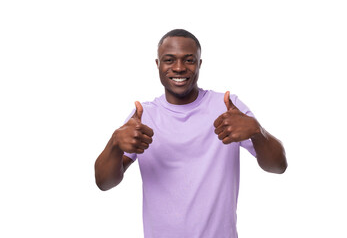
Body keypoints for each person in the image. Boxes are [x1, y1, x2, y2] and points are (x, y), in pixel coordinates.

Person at [94, 29, 287, 238]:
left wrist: (258, 132)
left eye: (189, 60)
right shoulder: (144, 116)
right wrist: (114, 143)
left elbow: (278, 166)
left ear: (199, 64)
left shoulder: (227, 107)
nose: (179, 68)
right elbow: (104, 183)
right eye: (169, 60)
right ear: (158, 64)